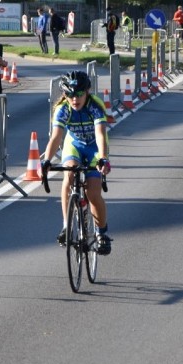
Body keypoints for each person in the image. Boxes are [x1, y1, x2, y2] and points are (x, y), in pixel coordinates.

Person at [40, 71, 112, 255]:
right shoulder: (63, 109)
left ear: (87, 91)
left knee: (93, 192)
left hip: (95, 147)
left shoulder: (95, 105)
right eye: (70, 95)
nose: (74, 99)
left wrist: (103, 158)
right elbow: (56, 137)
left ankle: (102, 233)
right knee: (69, 174)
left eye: (79, 94)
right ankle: (66, 226)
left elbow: (100, 134)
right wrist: (47, 160)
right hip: (74, 145)